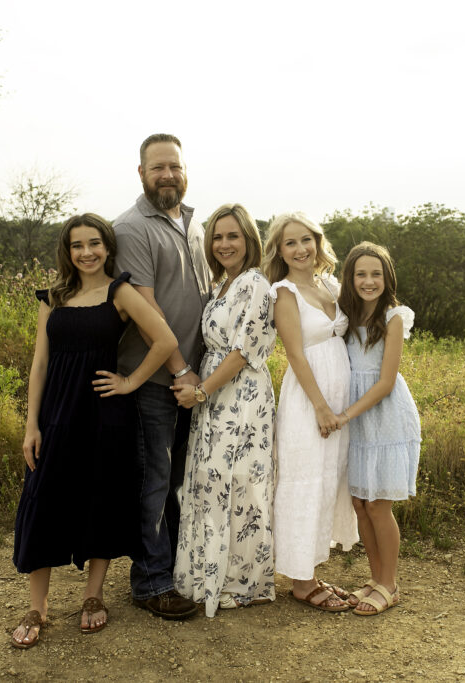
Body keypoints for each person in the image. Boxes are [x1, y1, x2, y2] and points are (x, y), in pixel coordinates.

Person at [10, 214, 177, 648]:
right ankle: (38, 606)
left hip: (104, 413)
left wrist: (130, 382)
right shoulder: (54, 296)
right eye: (77, 245)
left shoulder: (119, 291)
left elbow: (165, 340)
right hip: (56, 415)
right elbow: (40, 364)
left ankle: (93, 596)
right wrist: (31, 424)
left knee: (100, 498)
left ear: (107, 247)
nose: (86, 252)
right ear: (67, 251)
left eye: (95, 243)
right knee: (43, 498)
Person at [114, 134, 210, 620]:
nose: (168, 175)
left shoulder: (194, 222)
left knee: (176, 483)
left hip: (192, 384)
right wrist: (181, 370)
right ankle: (150, 583)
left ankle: (174, 571)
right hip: (158, 379)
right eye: (158, 168)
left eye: (174, 166)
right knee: (153, 482)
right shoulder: (132, 229)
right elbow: (147, 308)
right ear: (141, 174)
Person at [172, 203, 277, 617]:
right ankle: (205, 571)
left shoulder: (254, 283)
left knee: (239, 484)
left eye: (233, 236)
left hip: (241, 394)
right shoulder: (221, 286)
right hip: (212, 394)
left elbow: (242, 350)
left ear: (248, 239)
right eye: (217, 237)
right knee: (209, 478)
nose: (224, 244)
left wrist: (201, 392)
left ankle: (240, 581)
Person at [262, 211, 358, 612]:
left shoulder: (329, 284)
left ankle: (312, 571)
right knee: (304, 481)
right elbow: (295, 354)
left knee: (328, 479)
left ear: (318, 242)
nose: (300, 249)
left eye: (307, 240)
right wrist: (320, 406)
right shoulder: (284, 292)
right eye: (290, 243)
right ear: (279, 251)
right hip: (309, 399)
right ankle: (301, 582)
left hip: (340, 397)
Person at [335, 242, 421, 616]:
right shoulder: (345, 316)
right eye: (361, 274)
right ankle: (375, 578)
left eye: (376, 274)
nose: (369, 281)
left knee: (378, 503)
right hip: (359, 420)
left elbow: (385, 383)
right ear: (350, 278)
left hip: (383, 416)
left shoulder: (394, 317)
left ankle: (390, 584)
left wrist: (345, 415)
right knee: (359, 503)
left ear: (387, 279)